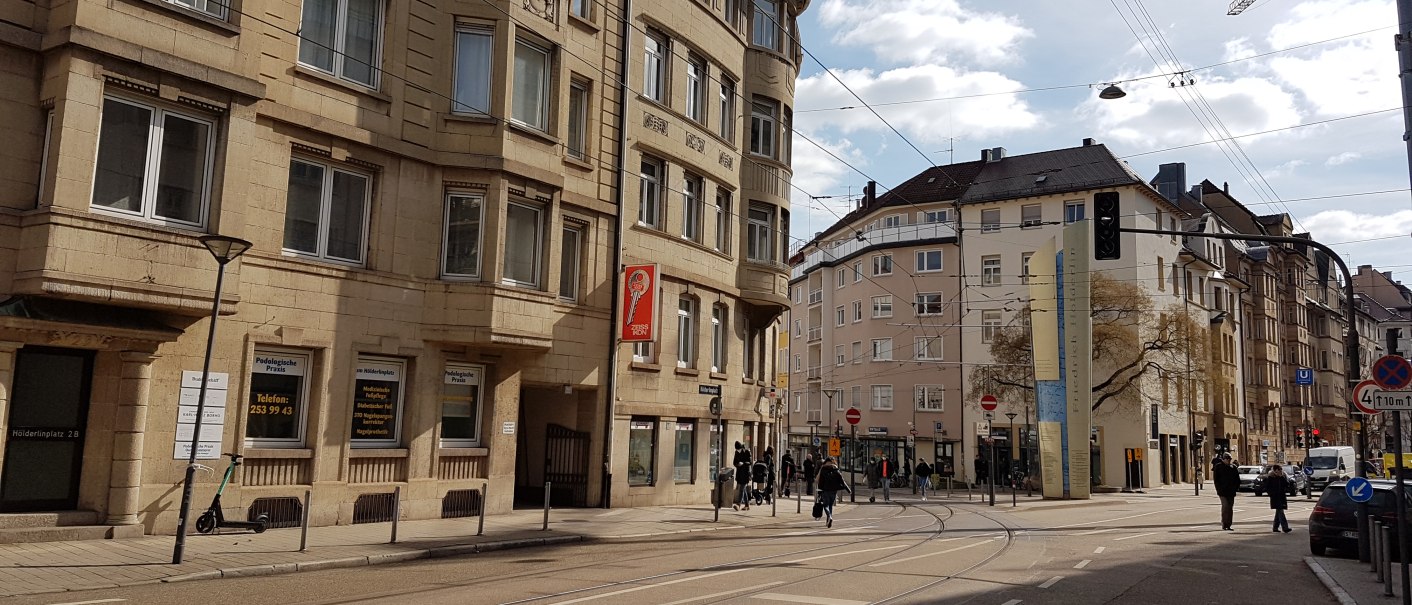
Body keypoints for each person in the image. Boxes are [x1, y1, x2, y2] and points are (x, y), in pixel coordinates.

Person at [816, 456, 851, 528]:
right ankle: (829, 520)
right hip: (834, 490)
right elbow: (842, 480)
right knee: (830, 505)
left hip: (825, 490)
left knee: (825, 505)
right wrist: (848, 490)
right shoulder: (835, 468)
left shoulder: (823, 468)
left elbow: (819, 480)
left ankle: (829, 517)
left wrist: (819, 490)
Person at [1213, 452, 1239, 530]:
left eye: (1229, 459)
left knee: (1230, 508)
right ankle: (1224, 523)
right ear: (1223, 459)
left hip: (1231, 491)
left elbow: (1237, 479)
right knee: (1225, 506)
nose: (1228, 460)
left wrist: (1236, 488)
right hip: (1222, 491)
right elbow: (1216, 479)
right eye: (1227, 459)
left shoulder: (1233, 467)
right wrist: (1218, 489)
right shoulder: (1218, 467)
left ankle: (1229, 524)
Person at [1265, 464, 1292, 533]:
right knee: (1280, 512)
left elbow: (1287, 484)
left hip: (1281, 496)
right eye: (1278, 470)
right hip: (1275, 497)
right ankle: (1285, 527)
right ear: (1275, 470)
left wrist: (1282, 477)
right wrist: (1271, 494)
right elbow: (1267, 487)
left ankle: (1275, 527)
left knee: (1278, 512)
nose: (1280, 471)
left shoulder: (1282, 476)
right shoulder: (1271, 477)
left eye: (1281, 469)